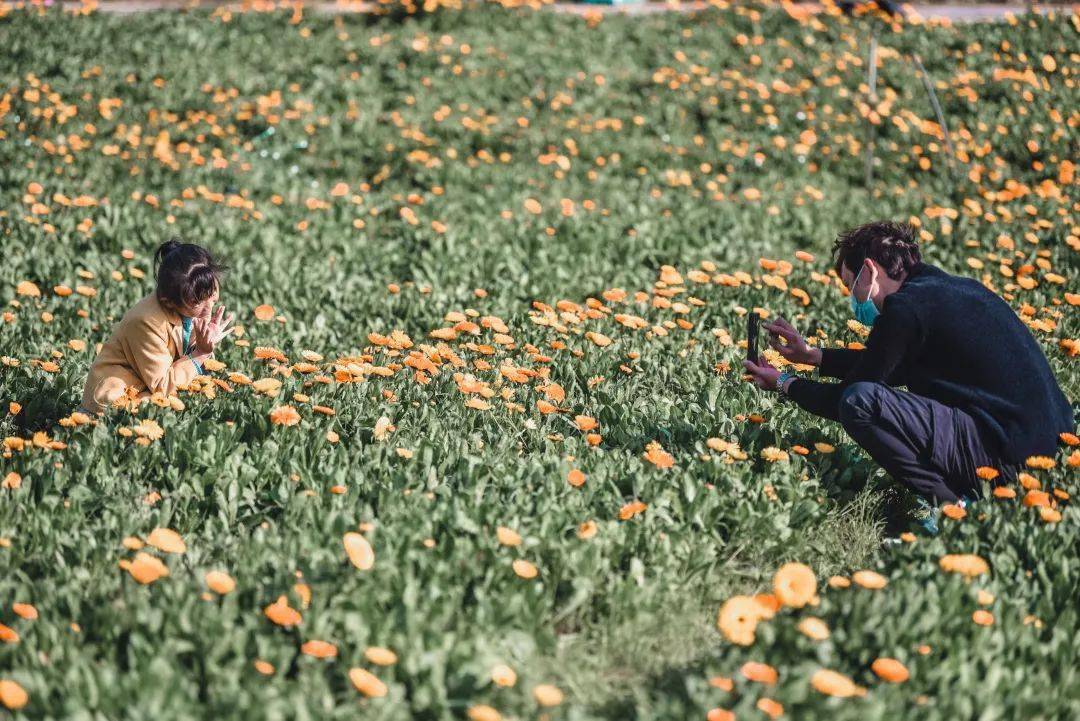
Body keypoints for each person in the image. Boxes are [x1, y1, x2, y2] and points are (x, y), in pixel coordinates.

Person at [742, 221, 1074, 531]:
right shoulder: (949, 290)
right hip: (1055, 455)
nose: (851, 298)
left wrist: (783, 383)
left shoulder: (906, 309)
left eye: (849, 285)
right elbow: (891, 365)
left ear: (870, 271)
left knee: (859, 403)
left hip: (1009, 455)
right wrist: (814, 357)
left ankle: (956, 511)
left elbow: (849, 396)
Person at [80, 240, 233, 415]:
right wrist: (200, 354)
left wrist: (203, 341)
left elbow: (184, 359)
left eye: (212, 294)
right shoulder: (145, 321)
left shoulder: (187, 309)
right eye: (198, 302)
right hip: (114, 403)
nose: (209, 308)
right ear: (168, 302)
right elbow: (163, 386)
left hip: (148, 387)